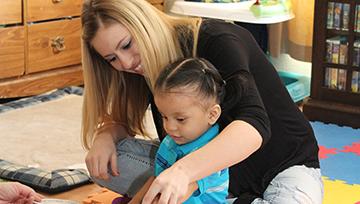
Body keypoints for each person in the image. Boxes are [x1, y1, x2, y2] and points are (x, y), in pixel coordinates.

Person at [80, 0, 324, 203]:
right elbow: (122, 120)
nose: (125, 63)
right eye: (112, 58)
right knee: (110, 159)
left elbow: (254, 126)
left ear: (144, 24)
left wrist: (183, 172)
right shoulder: (136, 68)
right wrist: (106, 134)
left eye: (126, 45)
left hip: (281, 169)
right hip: (210, 175)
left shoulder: (218, 40)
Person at [130, 58, 229, 204]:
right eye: (164, 116)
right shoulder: (171, 141)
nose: (169, 127)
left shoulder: (213, 154)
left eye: (181, 119)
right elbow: (156, 179)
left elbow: (175, 195)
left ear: (212, 115)